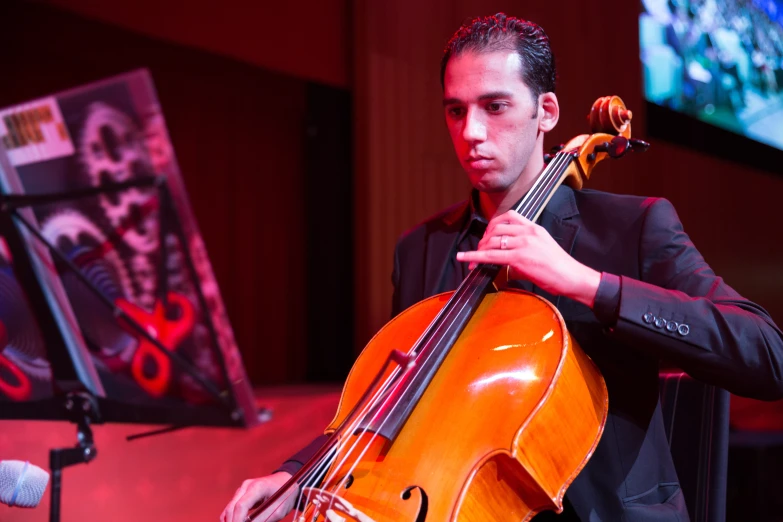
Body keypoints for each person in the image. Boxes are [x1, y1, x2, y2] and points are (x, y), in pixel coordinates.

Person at [222, 13, 783, 522]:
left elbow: (766, 352)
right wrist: (296, 476)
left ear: (546, 113)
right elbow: (388, 396)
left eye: (495, 107)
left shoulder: (634, 227)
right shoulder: (421, 246)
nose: (470, 133)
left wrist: (587, 283)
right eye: (455, 110)